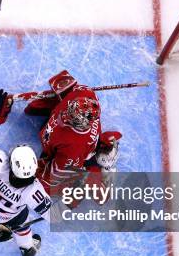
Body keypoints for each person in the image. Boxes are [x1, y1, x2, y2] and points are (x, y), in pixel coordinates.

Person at [0, 89, 51, 256]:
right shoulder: (32, 192)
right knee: (20, 222)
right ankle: (27, 247)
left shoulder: (0, 163)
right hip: (8, 216)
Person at [24, 70, 122, 200]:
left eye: (71, 118)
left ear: (81, 125)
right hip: (69, 143)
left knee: (45, 186)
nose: (65, 116)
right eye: (70, 110)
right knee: (32, 108)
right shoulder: (86, 93)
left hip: (73, 155)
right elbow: (63, 82)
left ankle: (98, 179)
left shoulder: (73, 148)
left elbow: (54, 177)